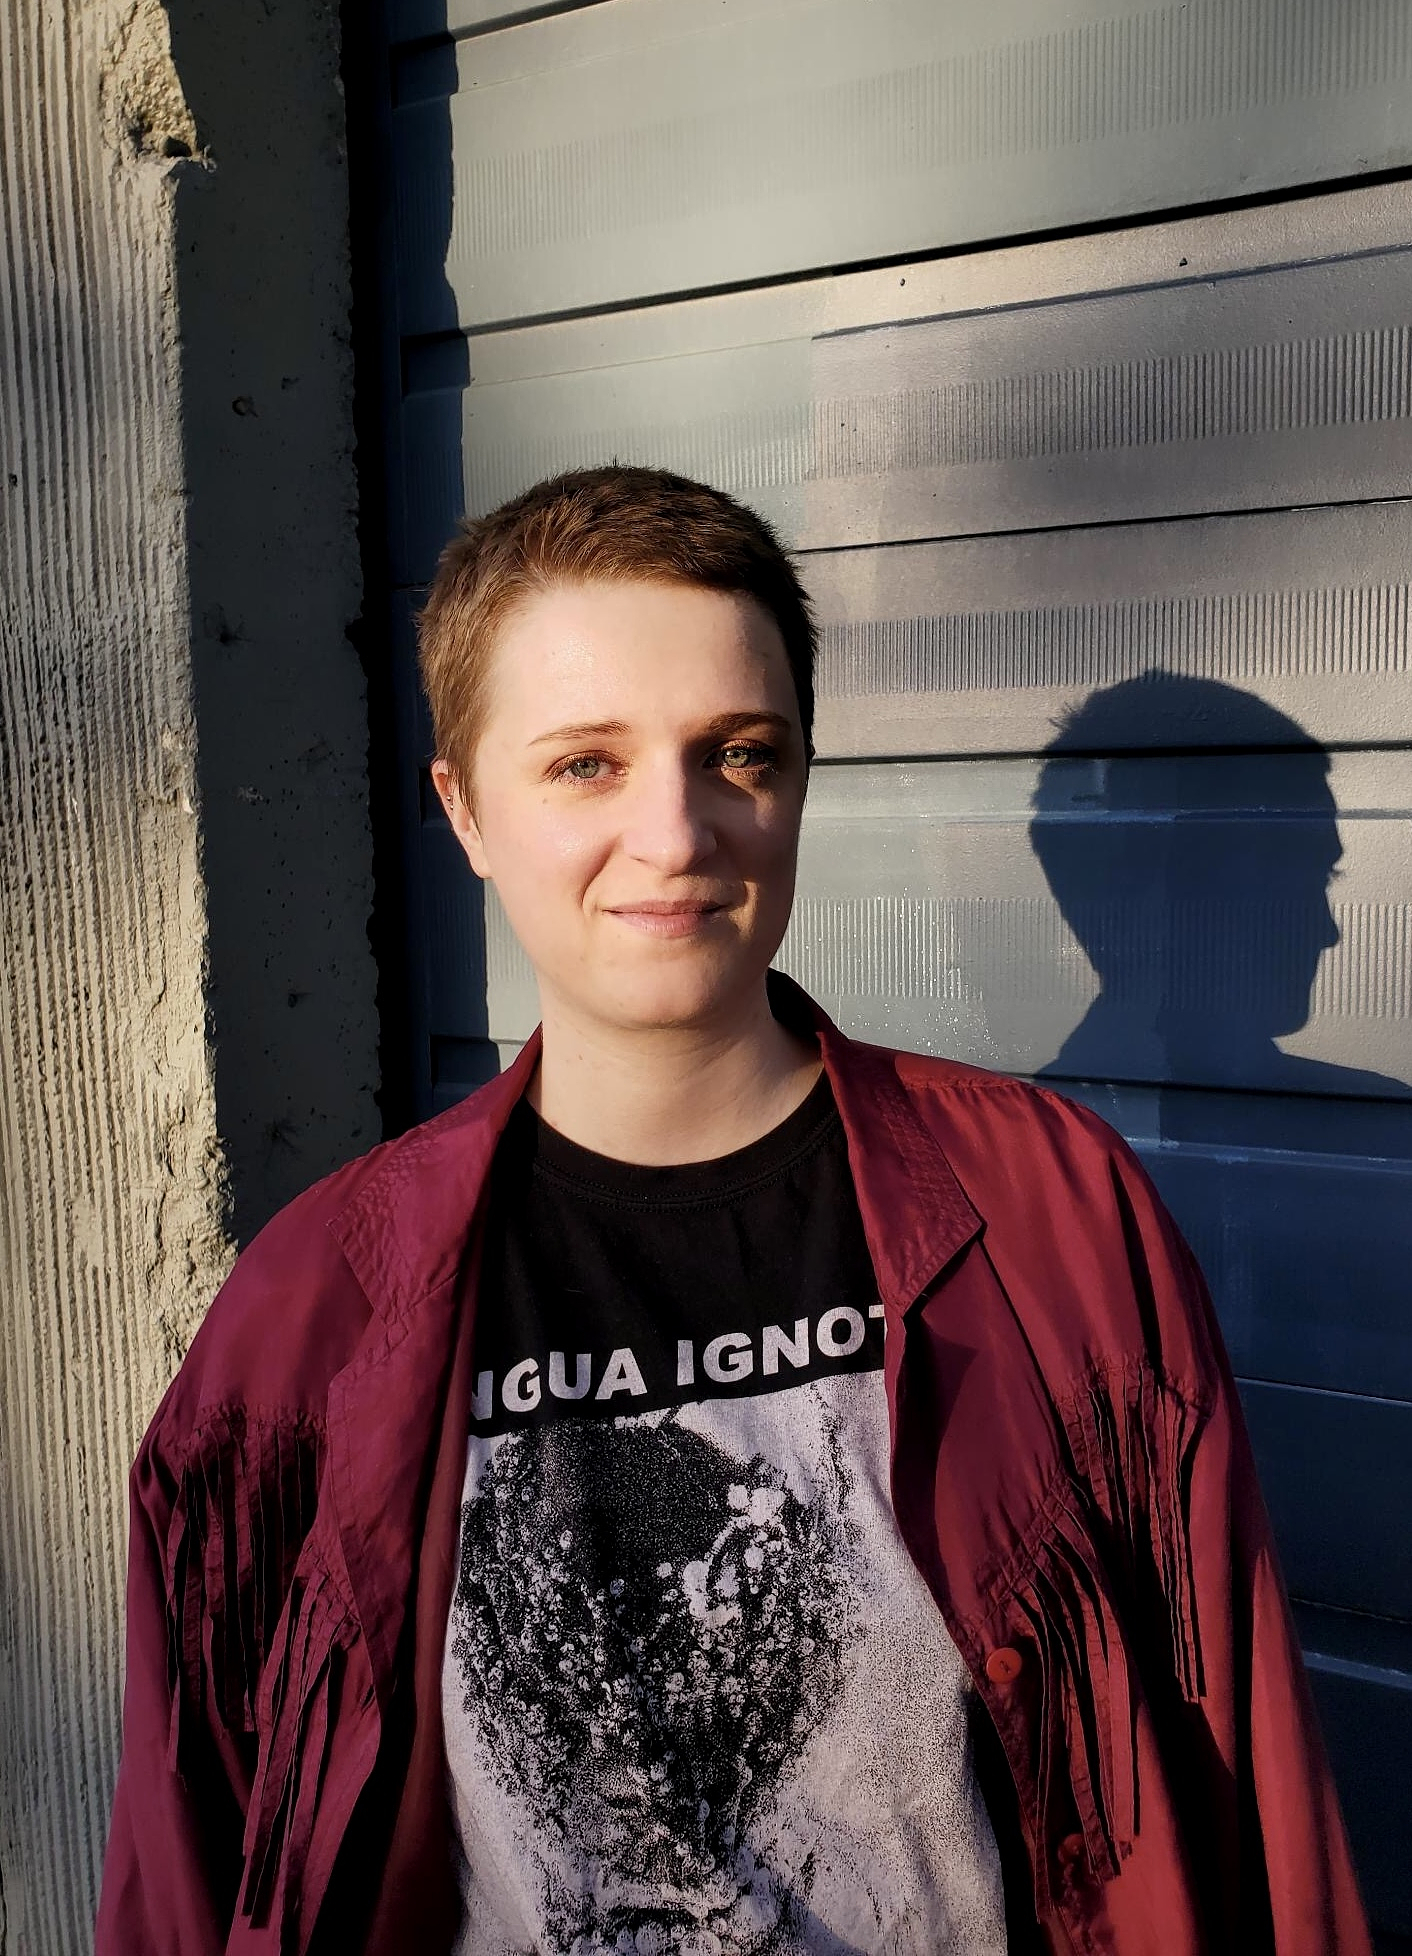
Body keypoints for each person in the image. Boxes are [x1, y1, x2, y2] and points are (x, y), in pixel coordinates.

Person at [97, 466, 1370, 1956]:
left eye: (738, 753)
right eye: (585, 764)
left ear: (801, 775)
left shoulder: (1050, 1212)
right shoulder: (313, 1311)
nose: (679, 831)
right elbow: (190, 1859)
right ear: (465, 808)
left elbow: (1249, 1784)